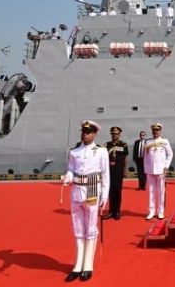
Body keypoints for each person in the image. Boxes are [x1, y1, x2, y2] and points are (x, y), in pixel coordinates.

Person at [62, 120, 110, 282]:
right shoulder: (74, 152)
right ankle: (78, 265)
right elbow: (71, 169)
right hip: (76, 190)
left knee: (90, 228)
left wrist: (105, 197)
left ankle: (88, 265)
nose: (85, 135)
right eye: (83, 132)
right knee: (78, 229)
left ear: (94, 134)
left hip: (92, 189)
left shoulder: (101, 151)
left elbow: (105, 175)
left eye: (88, 132)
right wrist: (68, 177)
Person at [143, 122, 173, 220]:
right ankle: (151, 211)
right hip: (150, 170)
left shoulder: (164, 141)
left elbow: (170, 154)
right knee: (151, 191)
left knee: (161, 191)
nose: (155, 132)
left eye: (157, 130)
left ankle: (160, 211)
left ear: (160, 131)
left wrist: (166, 166)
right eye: (154, 130)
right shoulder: (148, 142)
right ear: (152, 131)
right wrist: (145, 168)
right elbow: (145, 157)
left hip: (161, 170)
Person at [103, 126, 129, 220]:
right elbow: (103, 158)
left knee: (117, 191)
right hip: (109, 170)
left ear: (119, 134)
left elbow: (125, 158)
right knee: (110, 191)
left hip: (118, 170)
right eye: (113, 134)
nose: (115, 135)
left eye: (116, 134)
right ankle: (111, 211)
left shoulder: (123, 145)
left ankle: (117, 211)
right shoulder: (107, 145)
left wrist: (125, 170)